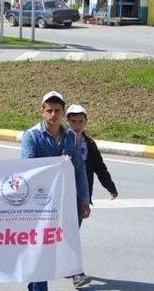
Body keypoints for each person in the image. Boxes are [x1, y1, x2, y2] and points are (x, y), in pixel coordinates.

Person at [22, 91, 90, 291]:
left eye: (57, 111)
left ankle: (39, 283)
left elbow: (79, 169)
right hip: (38, 203)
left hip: (64, 201)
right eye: (49, 110)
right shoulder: (32, 135)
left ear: (63, 112)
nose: (53, 114)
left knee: (57, 244)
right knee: (40, 247)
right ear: (42, 111)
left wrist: (84, 199)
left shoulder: (70, 137)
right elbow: (27, 169)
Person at [66, 104, 117, 289]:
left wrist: (110, 187)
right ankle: (75, 273)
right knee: (68, 234)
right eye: (73, 122)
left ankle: (70, 269)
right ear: (67, 122)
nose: (77, 125)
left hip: (81, 196)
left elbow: (99, 167)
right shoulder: (62, 141)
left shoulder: (89, 144)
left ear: (86, 122)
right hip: (61, 195)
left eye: (81, 121)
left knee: (72, 233)